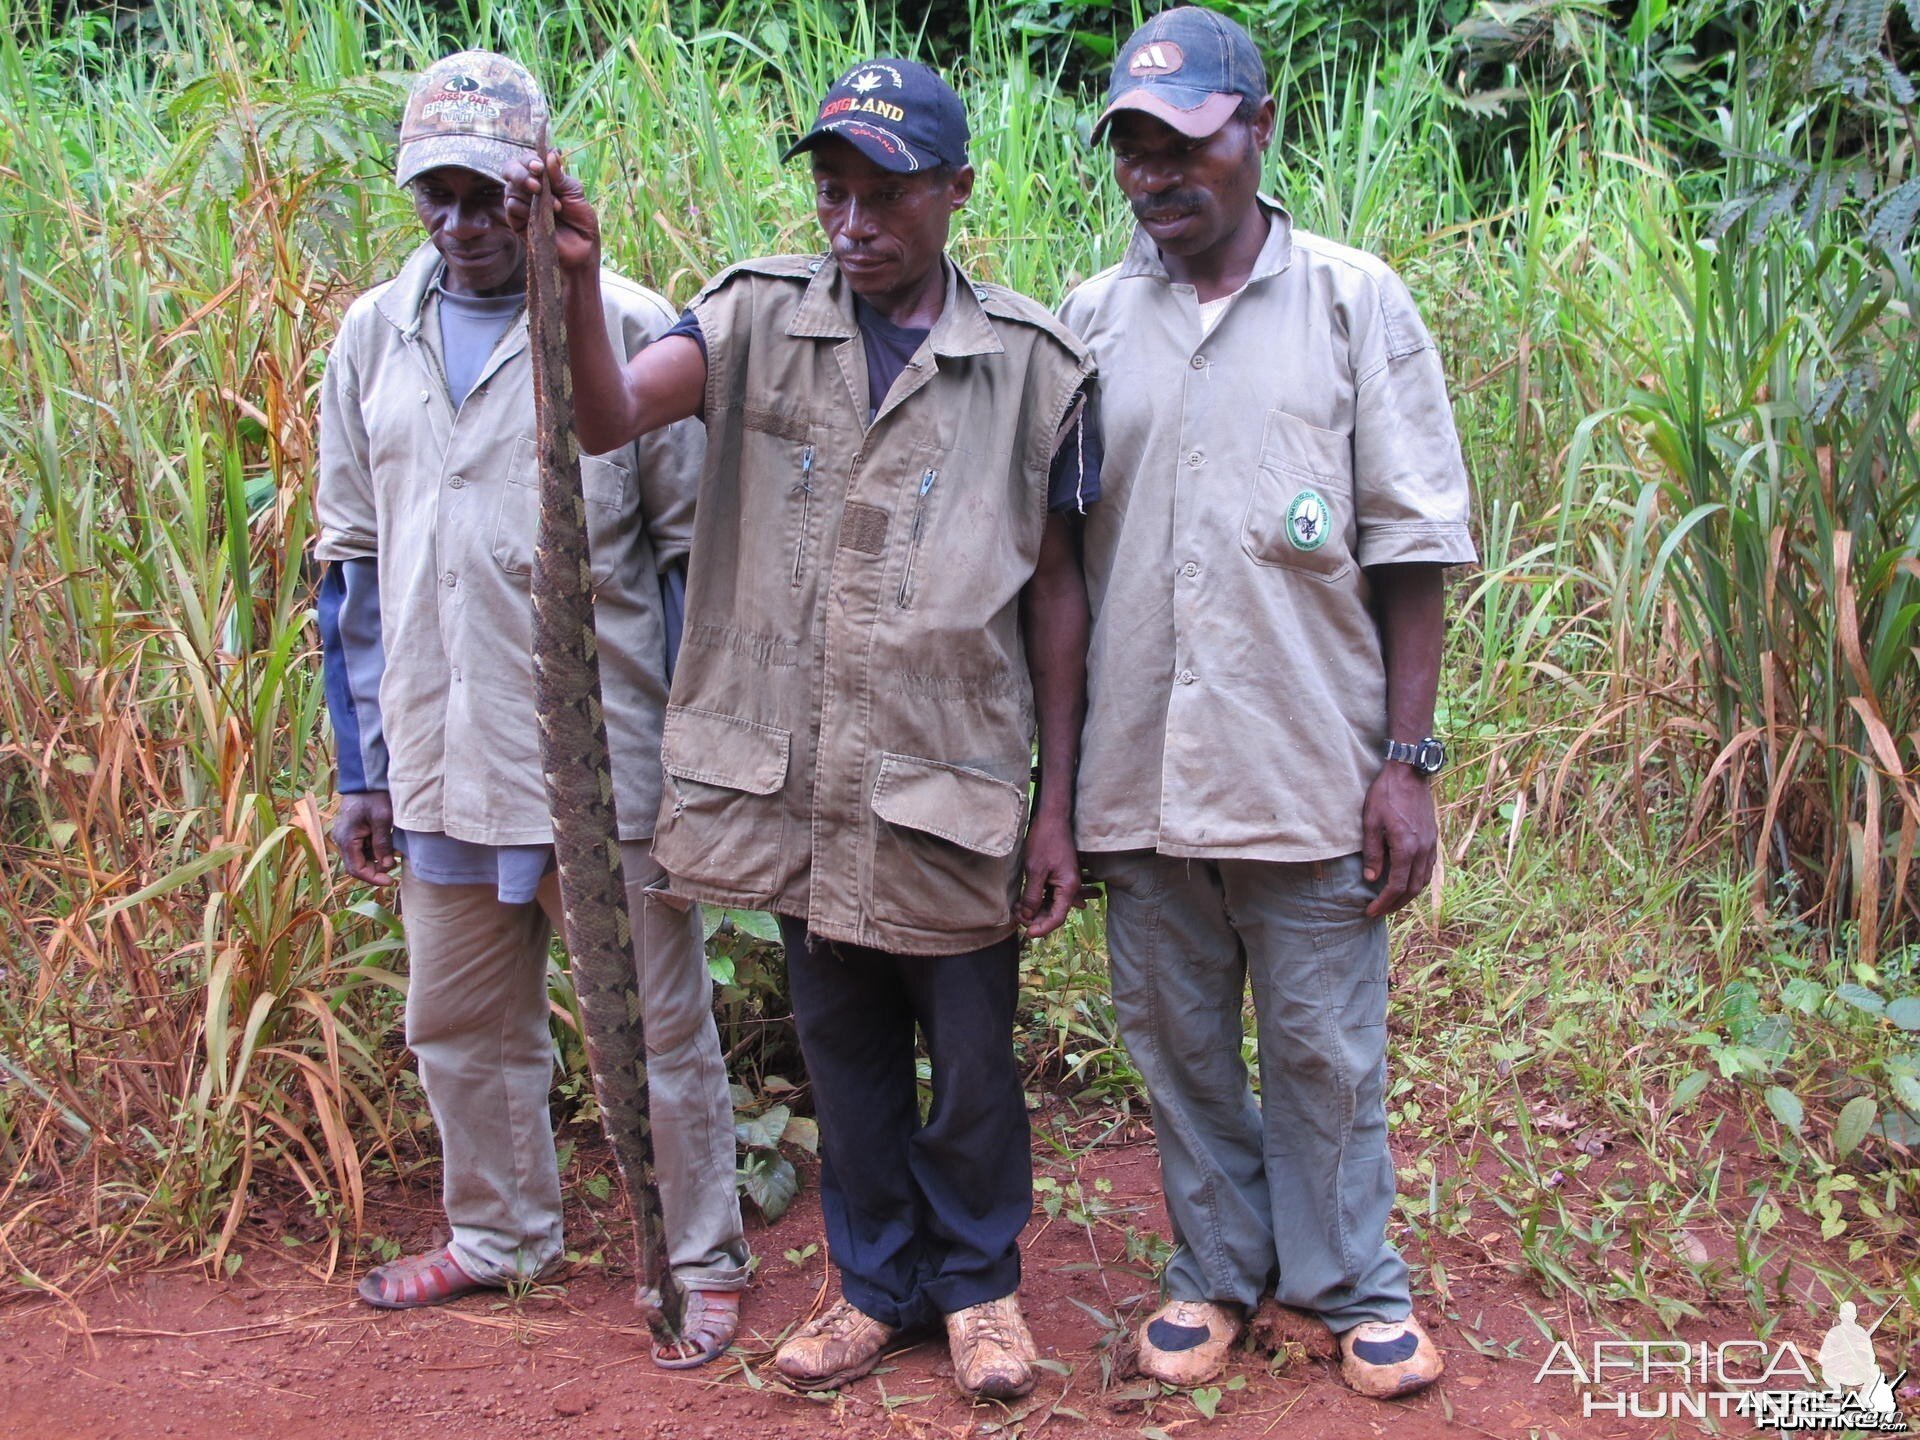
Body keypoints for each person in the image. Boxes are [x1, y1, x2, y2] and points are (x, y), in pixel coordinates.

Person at [503, 57, 1098, 1402]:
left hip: (946, 787)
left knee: (972, 1057)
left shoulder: (1028, 366)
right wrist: (580, 283)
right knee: (843, 1047)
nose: (854, 224)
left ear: (953, 191)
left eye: (886, 197)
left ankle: (982, 1289)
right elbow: (605, 415)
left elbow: (1060, 595)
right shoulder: (755, 320)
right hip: (800, 788)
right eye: (833, 194)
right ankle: (875, 1285)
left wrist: (1058, 800)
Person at [1058, 6, 1477, 1400]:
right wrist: (1054, 789)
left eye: (1183, 143)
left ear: (1257, 132)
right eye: (1132, 146)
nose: (1155, 173)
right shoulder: (1091, 323)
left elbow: (1410, 548)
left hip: (1308, 757)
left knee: (1320, 1038)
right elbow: (1060, 566)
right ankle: (1216, 1270)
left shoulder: (1358, 302)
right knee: (1176, 1037)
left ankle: (1349, 1282)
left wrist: (1406, 761)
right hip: (1143, 770)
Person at [314, 51, 749, 1367]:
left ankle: (698, 1257)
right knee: (458, 1020)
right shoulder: (369, 336)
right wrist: (361, 769)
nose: (462, 222)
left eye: (487, 192)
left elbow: (688, 563)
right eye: (436, 194)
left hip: (604, 757)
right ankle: (501, 1233)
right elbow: (350, 563)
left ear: (539, 184)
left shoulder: (619, 321)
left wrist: (690, 763)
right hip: (440, 746)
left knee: (661, 1027)